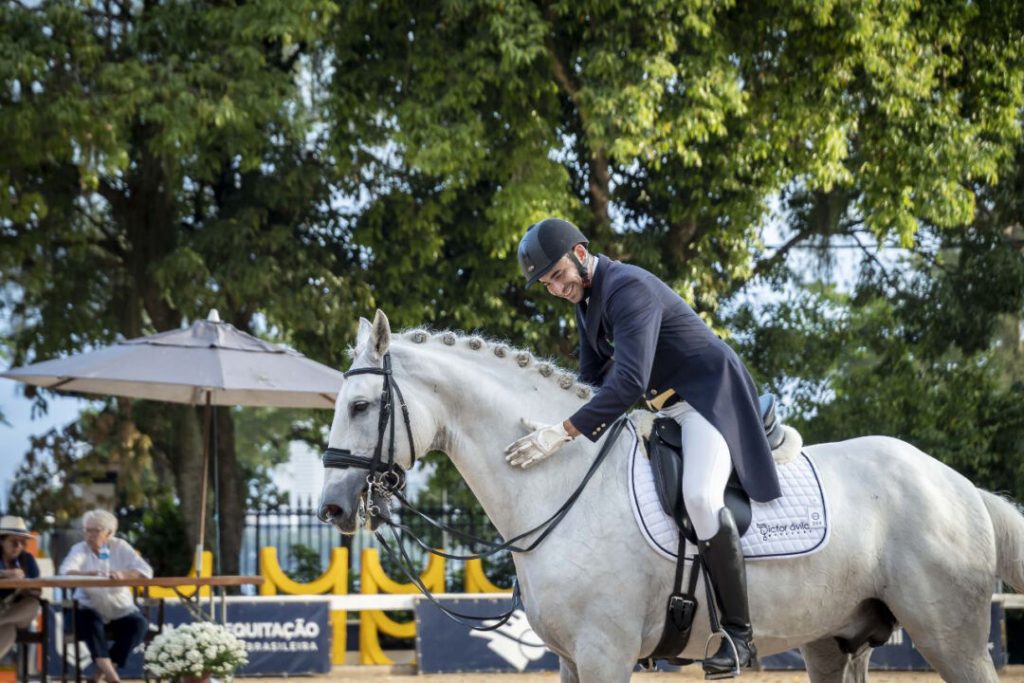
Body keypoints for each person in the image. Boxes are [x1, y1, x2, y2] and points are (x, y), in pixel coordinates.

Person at [505, 218, 782, 677]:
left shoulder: (626, 288)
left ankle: (739, 636)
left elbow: (629, 381)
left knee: (699, 496)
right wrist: (555, 421)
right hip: (666, 412)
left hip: (708, 401)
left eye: (556, 275)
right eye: (547, 283)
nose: (554, 288)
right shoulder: (589, 301)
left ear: (578, 253)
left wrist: (567, 430)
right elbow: (591, 383)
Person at [58, 509, 152, 683]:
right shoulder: (79, 549)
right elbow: (65, 572)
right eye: (87, 530)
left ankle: (100, 675)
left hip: (119, 609)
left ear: (109, 533)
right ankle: (113, 678)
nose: (89, 535)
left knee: (139, 624)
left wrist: (124, 575)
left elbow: (145, 571)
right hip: (88, 608)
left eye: (95, 530)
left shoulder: (120, 546)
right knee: (89, 619)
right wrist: (90, 575)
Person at [0, 516, 42, 661]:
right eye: (14, 542)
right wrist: (5, 574)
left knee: (33, 604)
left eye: (22, 543)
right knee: (9, 631)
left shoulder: (27, 559)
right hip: (5, 615)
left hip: (18, 612)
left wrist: (27, 588)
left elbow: (38, 590)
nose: (18, 546)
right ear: (2, 540)